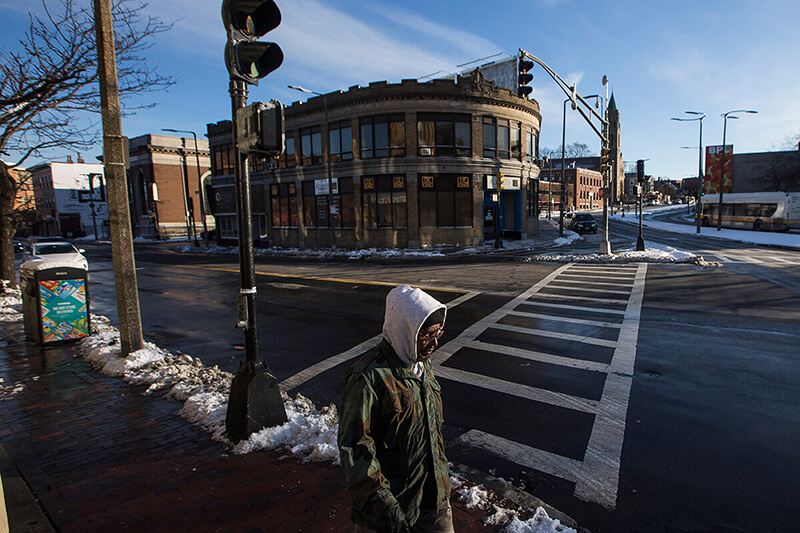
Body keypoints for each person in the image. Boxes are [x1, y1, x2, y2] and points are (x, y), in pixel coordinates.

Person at [338, 284, 453, 533]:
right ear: (405, 330)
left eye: (438, 333)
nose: (434, 342)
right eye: (426, 334)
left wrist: (443, 479)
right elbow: (356, 449)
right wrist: (385, 509)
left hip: (434, 499)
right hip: (390, 511)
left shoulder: (422, 365)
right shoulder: (368, 377)